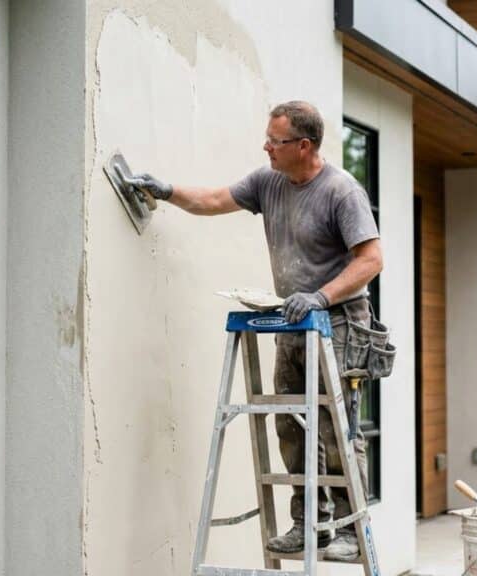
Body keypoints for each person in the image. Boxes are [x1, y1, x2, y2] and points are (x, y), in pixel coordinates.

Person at [132, 100, 383, 561]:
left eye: (275, 140)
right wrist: (165, 192)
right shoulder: (268, 182)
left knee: (335, 427)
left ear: (303, 145)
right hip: (293, 319)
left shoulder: (340, 191)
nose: (266, 146)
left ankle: (348, 528)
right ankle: (308, 523)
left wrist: (321, 296)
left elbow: (371, 260)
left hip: (339, 322)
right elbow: (213, 200)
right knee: (290, 422)